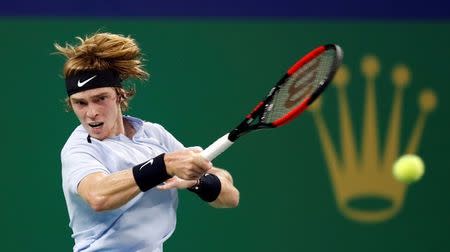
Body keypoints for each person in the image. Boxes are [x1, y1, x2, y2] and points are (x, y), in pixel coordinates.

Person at [55, 32, 239, 252]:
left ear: (120, 95)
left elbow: (230, 196)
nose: (91, 112)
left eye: (100, 98)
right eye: (80, 103)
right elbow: (98, 195)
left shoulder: (153, 134)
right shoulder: (79, 148)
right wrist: (164, 165)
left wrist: (198, 182)